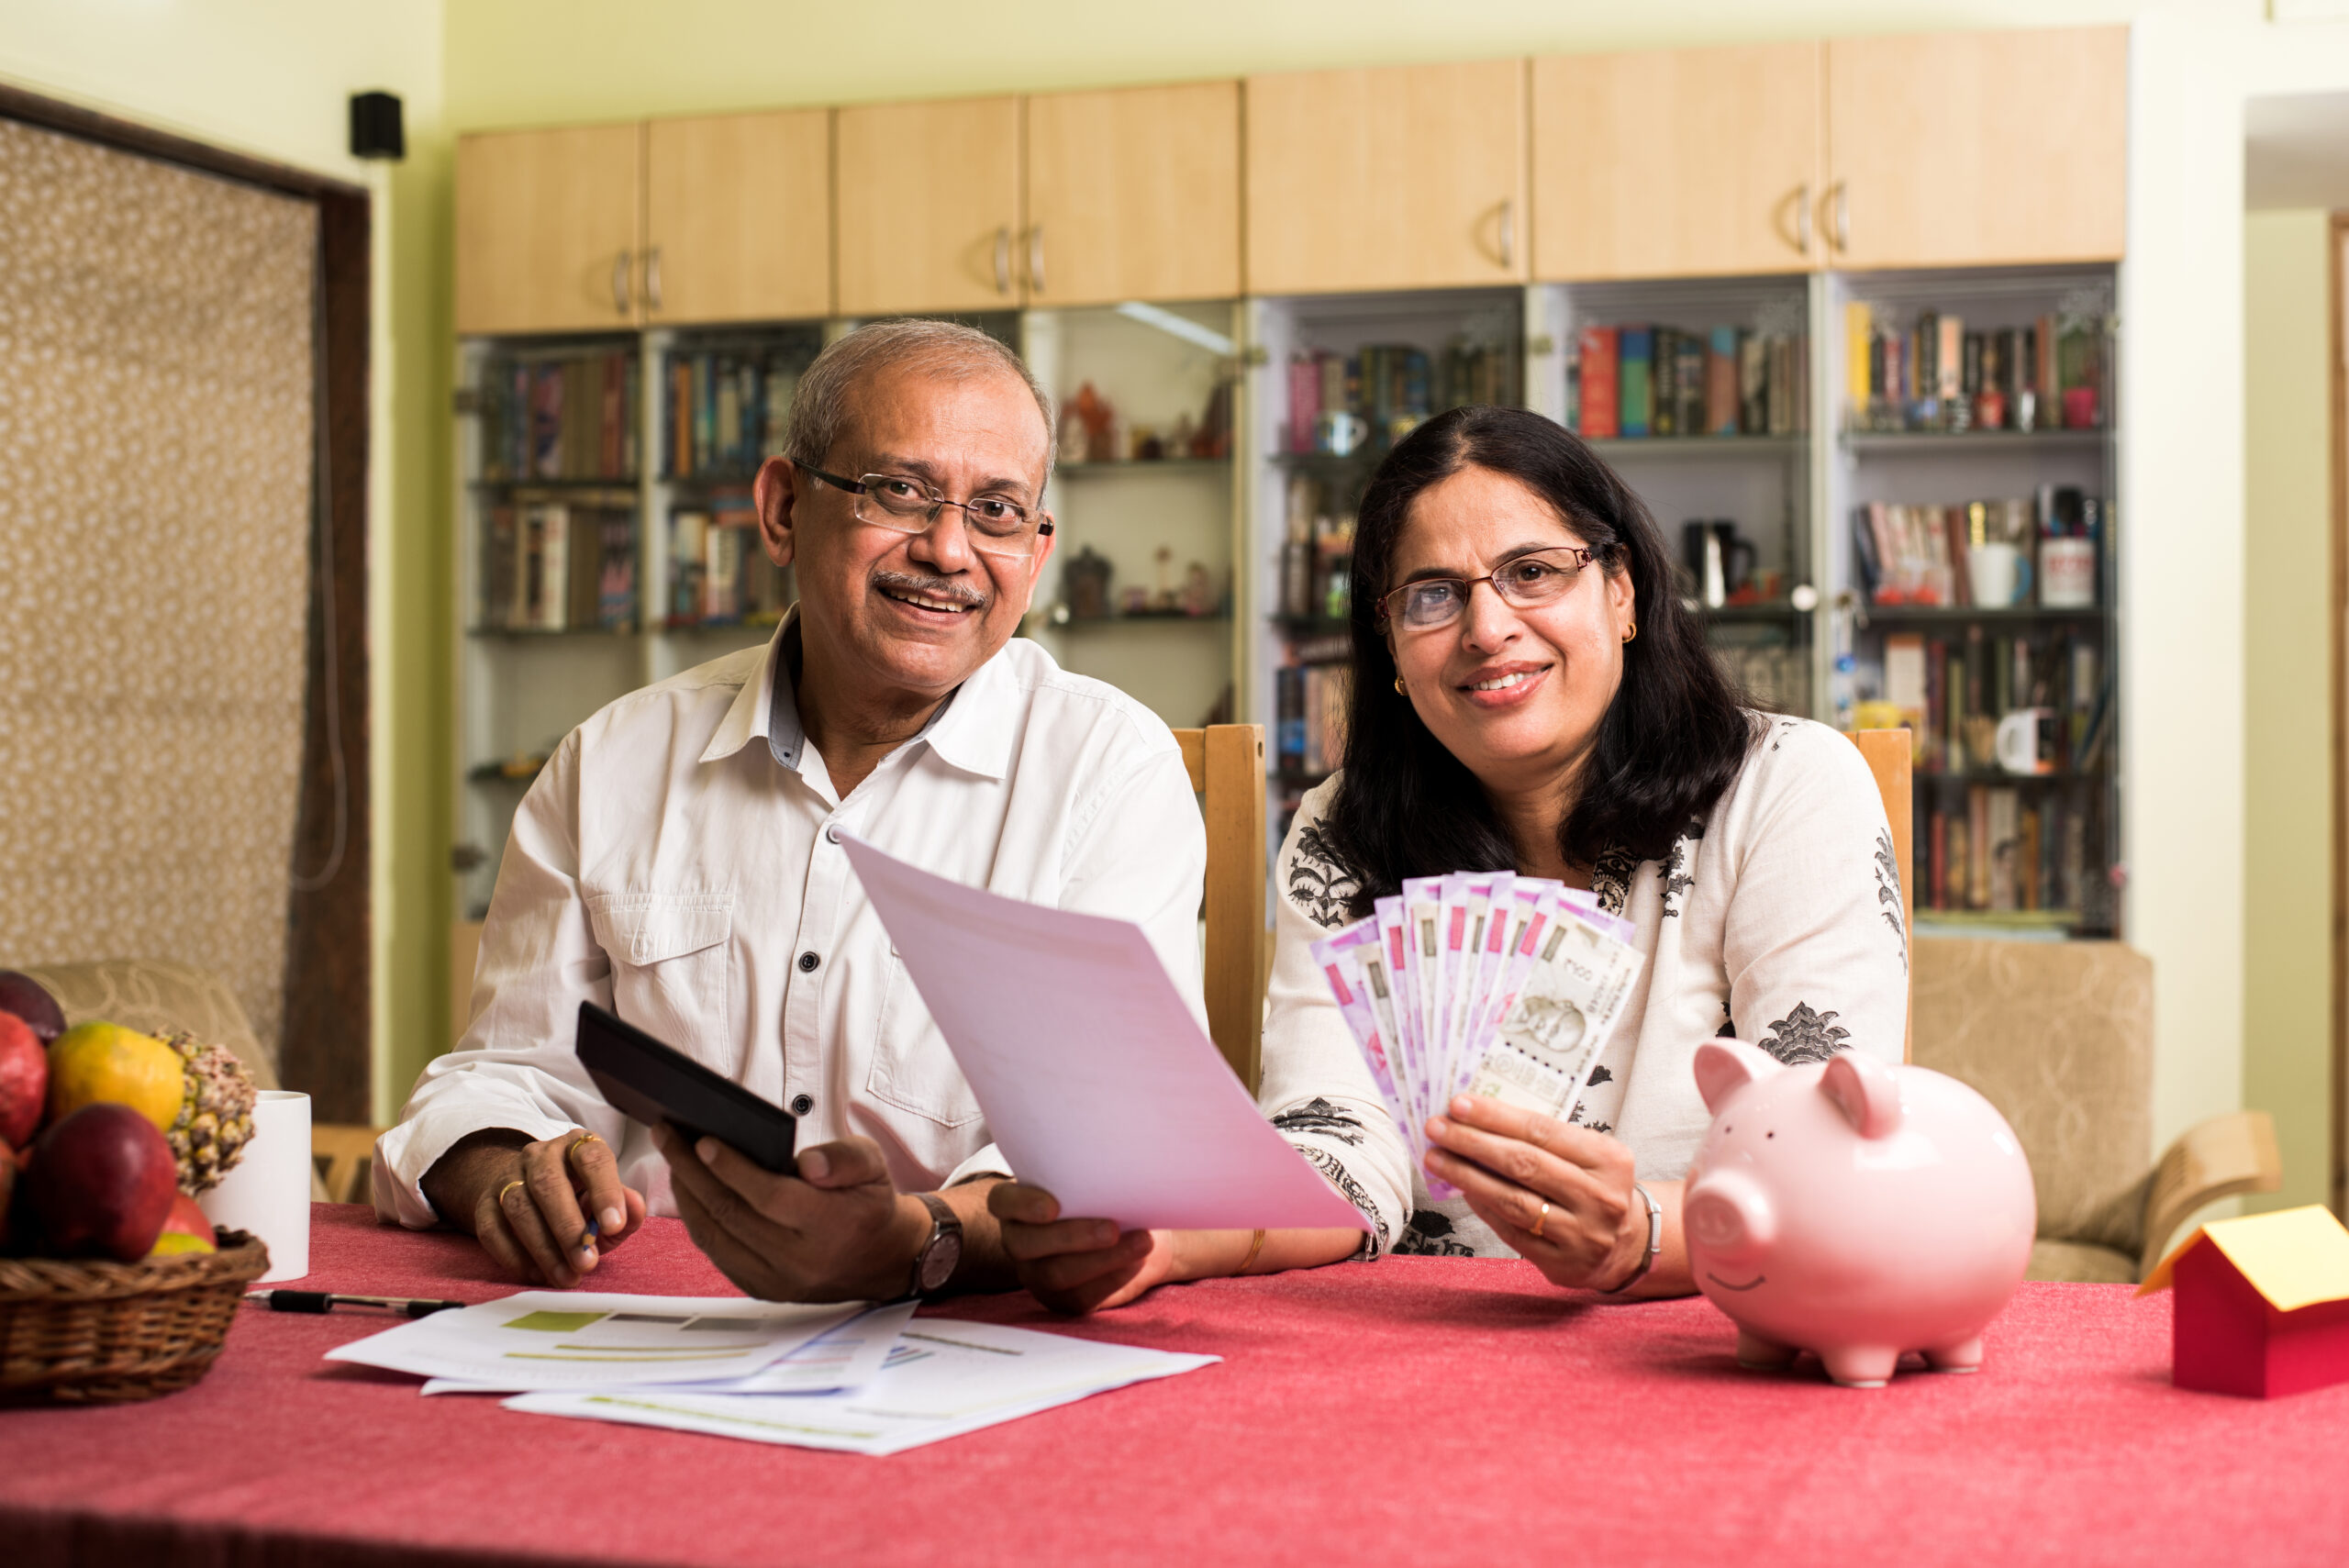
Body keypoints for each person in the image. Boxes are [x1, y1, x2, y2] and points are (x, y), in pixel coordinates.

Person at [376, 319, 1245, 1307]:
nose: (949, 549)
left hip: (974, 1345)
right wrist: (508, 1172)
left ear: (1037, 552)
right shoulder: (611, 762)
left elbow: (1110, 1151)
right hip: (656, 1327)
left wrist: (913, 1243)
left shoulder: (1107, 771)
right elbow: (503, 1076)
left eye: (997, 510)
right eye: (899, 492)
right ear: (784, 507)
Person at [1245, 404, 1910, 1296]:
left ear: (1622, 591)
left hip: (1703, 1336)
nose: (1487, 629)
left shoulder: (1785, 786)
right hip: (1414, 1339)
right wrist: (1187, 1233)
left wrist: (1641, 1234)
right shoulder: (1342, 829)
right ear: (1391, 650)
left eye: (1530, 571)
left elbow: (1829, 1154)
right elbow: (1332, 1134)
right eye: (1433, 594)